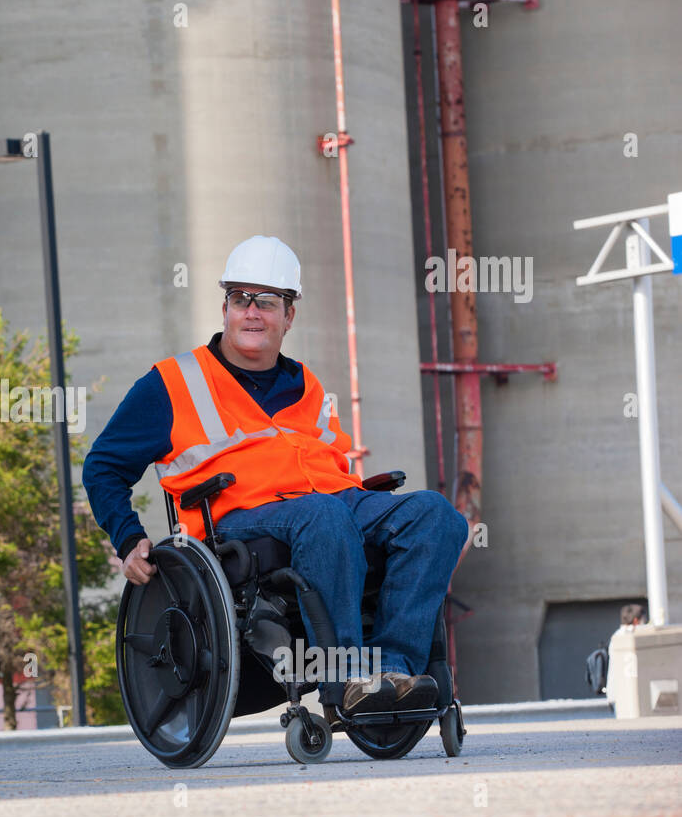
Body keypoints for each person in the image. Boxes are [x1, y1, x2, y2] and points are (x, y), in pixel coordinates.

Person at [82, 235, 470, 715]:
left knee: (436, 515)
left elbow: (333, 463)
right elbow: (102, 465)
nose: (251, 312)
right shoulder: (172, 382)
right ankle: (344, 680)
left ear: (289, 316)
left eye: (267, 302)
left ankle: (394, 671)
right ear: (224, 307)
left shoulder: (305, 383)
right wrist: (127, 537)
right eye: (240, 299)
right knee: (323, 516)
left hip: (331, 503)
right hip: (239, 520)